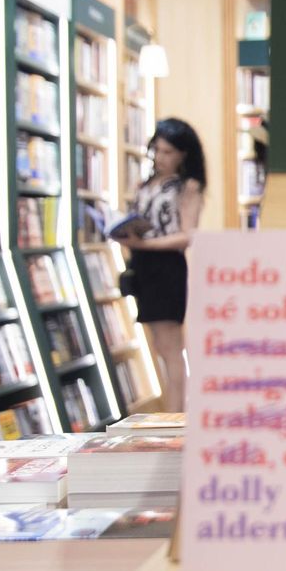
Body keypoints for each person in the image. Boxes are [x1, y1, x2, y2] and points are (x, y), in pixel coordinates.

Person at [114, 118, 205, 413]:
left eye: (168, 152)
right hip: (143, 266)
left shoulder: (188, 187)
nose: (160, 158)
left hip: (166, 268)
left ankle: (175, 415)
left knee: (171, 348)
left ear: (183, 153)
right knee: (159, 346)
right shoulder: (147, 184)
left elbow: (187, 235)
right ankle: (171, 411)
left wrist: (144, 244)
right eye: (157, 151)